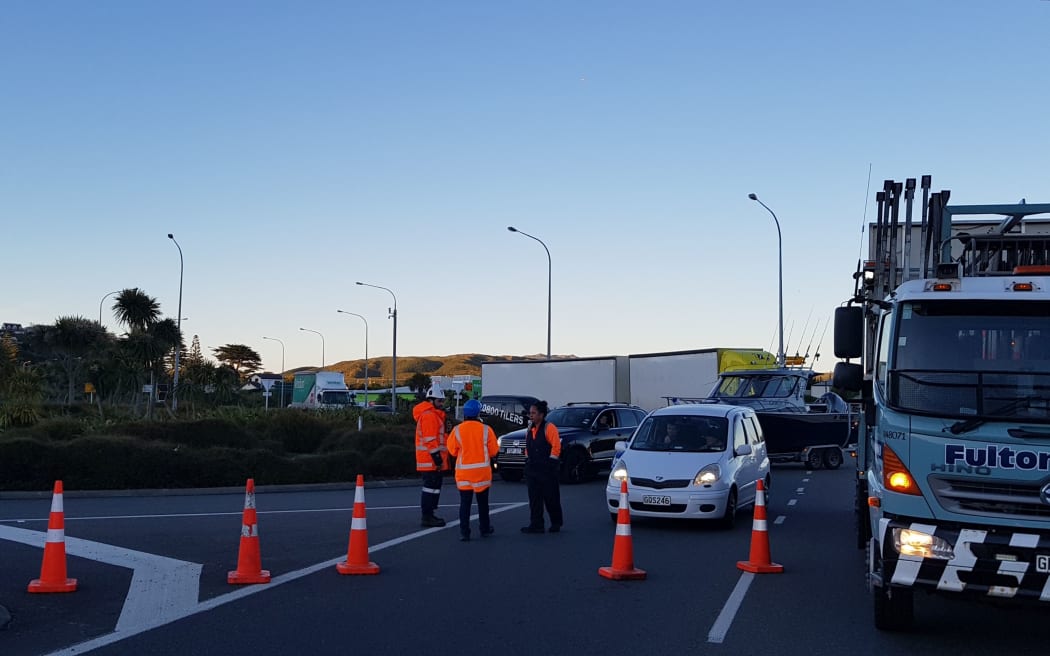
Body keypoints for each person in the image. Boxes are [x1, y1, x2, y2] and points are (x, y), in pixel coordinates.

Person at [446, 399, 498, 541]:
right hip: (482, 472)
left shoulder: (457, 430)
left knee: (465, 504)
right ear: (478, 413)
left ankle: (465, 532)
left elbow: (452, 451)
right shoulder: (486, 430)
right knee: (483, 503)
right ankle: (485, 529)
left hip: (464, 473)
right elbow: (494, 451)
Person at [521, 400, 564, 534]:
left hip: (547, 470)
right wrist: (527, 459)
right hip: (533, 469)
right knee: (534, 499)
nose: (531, 415)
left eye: (534, 413)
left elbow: (556, 446)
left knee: (551, 498)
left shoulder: (549, 428)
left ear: (541, 414)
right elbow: (528, 446)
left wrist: (551, 463)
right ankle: (536, 524)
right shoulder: (530, 428)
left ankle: (556, 522)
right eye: (530, 413)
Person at [414, 384, 449, 527]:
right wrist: (437, 458)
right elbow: (430, 440)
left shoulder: (434, 415)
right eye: (439, 401)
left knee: (433, 487)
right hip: (430, 460)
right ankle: (427, 516)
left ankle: (430, 515)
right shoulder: (429, 416)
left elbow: (438, 438)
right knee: (430, 488)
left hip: (432, 460)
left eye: (442, 401)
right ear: (431, 400)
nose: (442, 404)